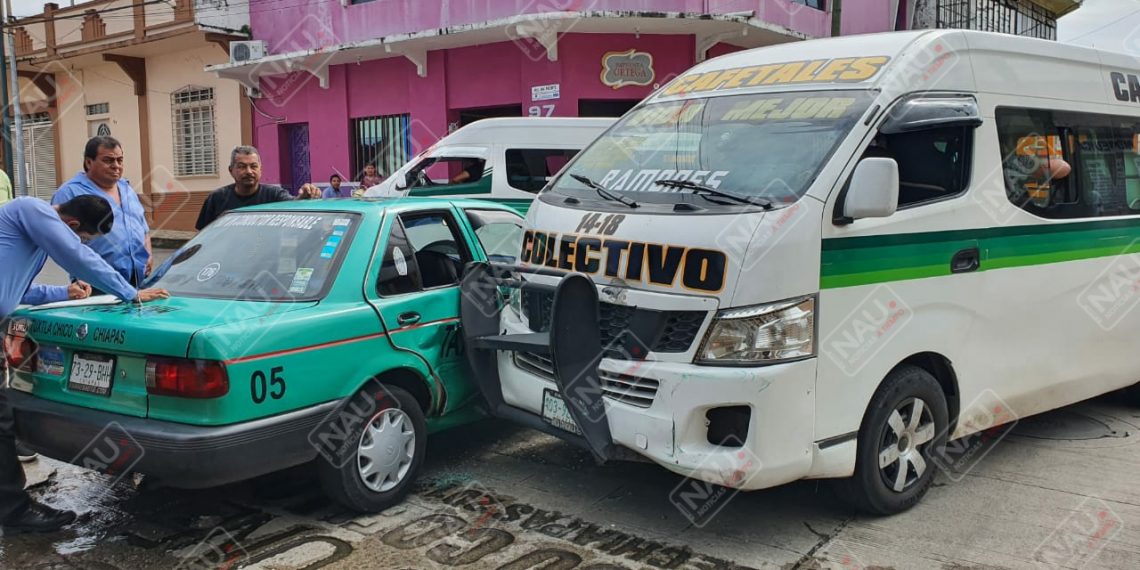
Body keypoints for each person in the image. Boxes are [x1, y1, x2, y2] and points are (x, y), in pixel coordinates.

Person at [0, 195, 169, 535]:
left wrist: (63, 293)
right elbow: (76, 254)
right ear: (73, 225)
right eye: (82, 237)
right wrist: (129, 292)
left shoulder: (30, 236)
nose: (79, 242)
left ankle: (13, 508)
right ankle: (14, 511)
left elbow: (17, 289)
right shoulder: (29, 210)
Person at [51, 137, 152, 291]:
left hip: (137, 279)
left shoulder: (126, 189)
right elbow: (61, 244)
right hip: (95, 284)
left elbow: (143, 228)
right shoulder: (69, 193)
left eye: (120, 160)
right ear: (89, 162)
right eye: (108, 160)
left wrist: (148, 255)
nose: (116, 166)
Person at [195, 146, 292, 230]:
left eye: (254, 166)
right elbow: (204, 235)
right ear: (231, 170)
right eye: (242, 167)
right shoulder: (216, 198)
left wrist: (304, 195)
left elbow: (295, 204)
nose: (249, 171)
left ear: (260, 169)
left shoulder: (275, 195)